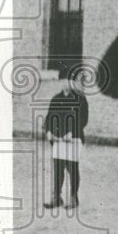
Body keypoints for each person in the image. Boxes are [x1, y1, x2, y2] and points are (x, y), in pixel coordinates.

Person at [43, 64, 89, 210]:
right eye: (62, 80)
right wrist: (49, 132)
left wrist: (72, 133)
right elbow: (49, 118)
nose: (65, 83)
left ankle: (73, 197)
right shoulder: (56, 99)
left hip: (73, 139)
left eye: (68, 80)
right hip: (58, 139)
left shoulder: (80, 99)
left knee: (72, 168)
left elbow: (83, 119)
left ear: (73, 82)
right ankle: (57, 197)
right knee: (58, 169)